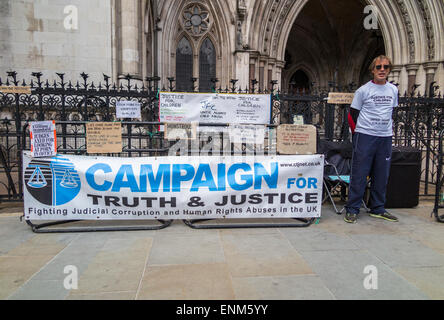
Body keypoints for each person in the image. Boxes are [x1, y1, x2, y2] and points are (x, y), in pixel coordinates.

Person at [344, 55, 399, 224]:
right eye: (378, 67)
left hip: (385, 137)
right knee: (359, 174)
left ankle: (378, 208)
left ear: (389, 70)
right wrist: (357, 134)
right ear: (372, 70)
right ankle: (352, 209)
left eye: (386, 67)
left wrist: (388, 130)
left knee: (382, 174)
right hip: (365, 135)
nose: (382, 70)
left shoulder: (393, 90)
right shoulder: (363, 90)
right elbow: (352, 115)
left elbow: (392, 111)